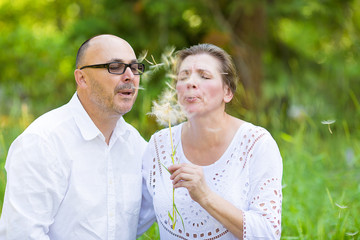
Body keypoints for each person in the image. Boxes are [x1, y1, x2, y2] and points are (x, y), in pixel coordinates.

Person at [0, 34, 154, 239]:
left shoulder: (136, 145)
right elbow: (21, 234)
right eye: (115, 67)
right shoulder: (42, 142)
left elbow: (144, 217)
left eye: (134, 68)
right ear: (82, 78)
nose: (129, 76)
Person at [142, 43, 283, 239]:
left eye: (204, 76)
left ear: (227, 92)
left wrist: (205, 196)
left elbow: (268, 234)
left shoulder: (256, 144)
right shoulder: (159, 145)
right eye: (183, 76)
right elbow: (135, 216)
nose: (191, 82)